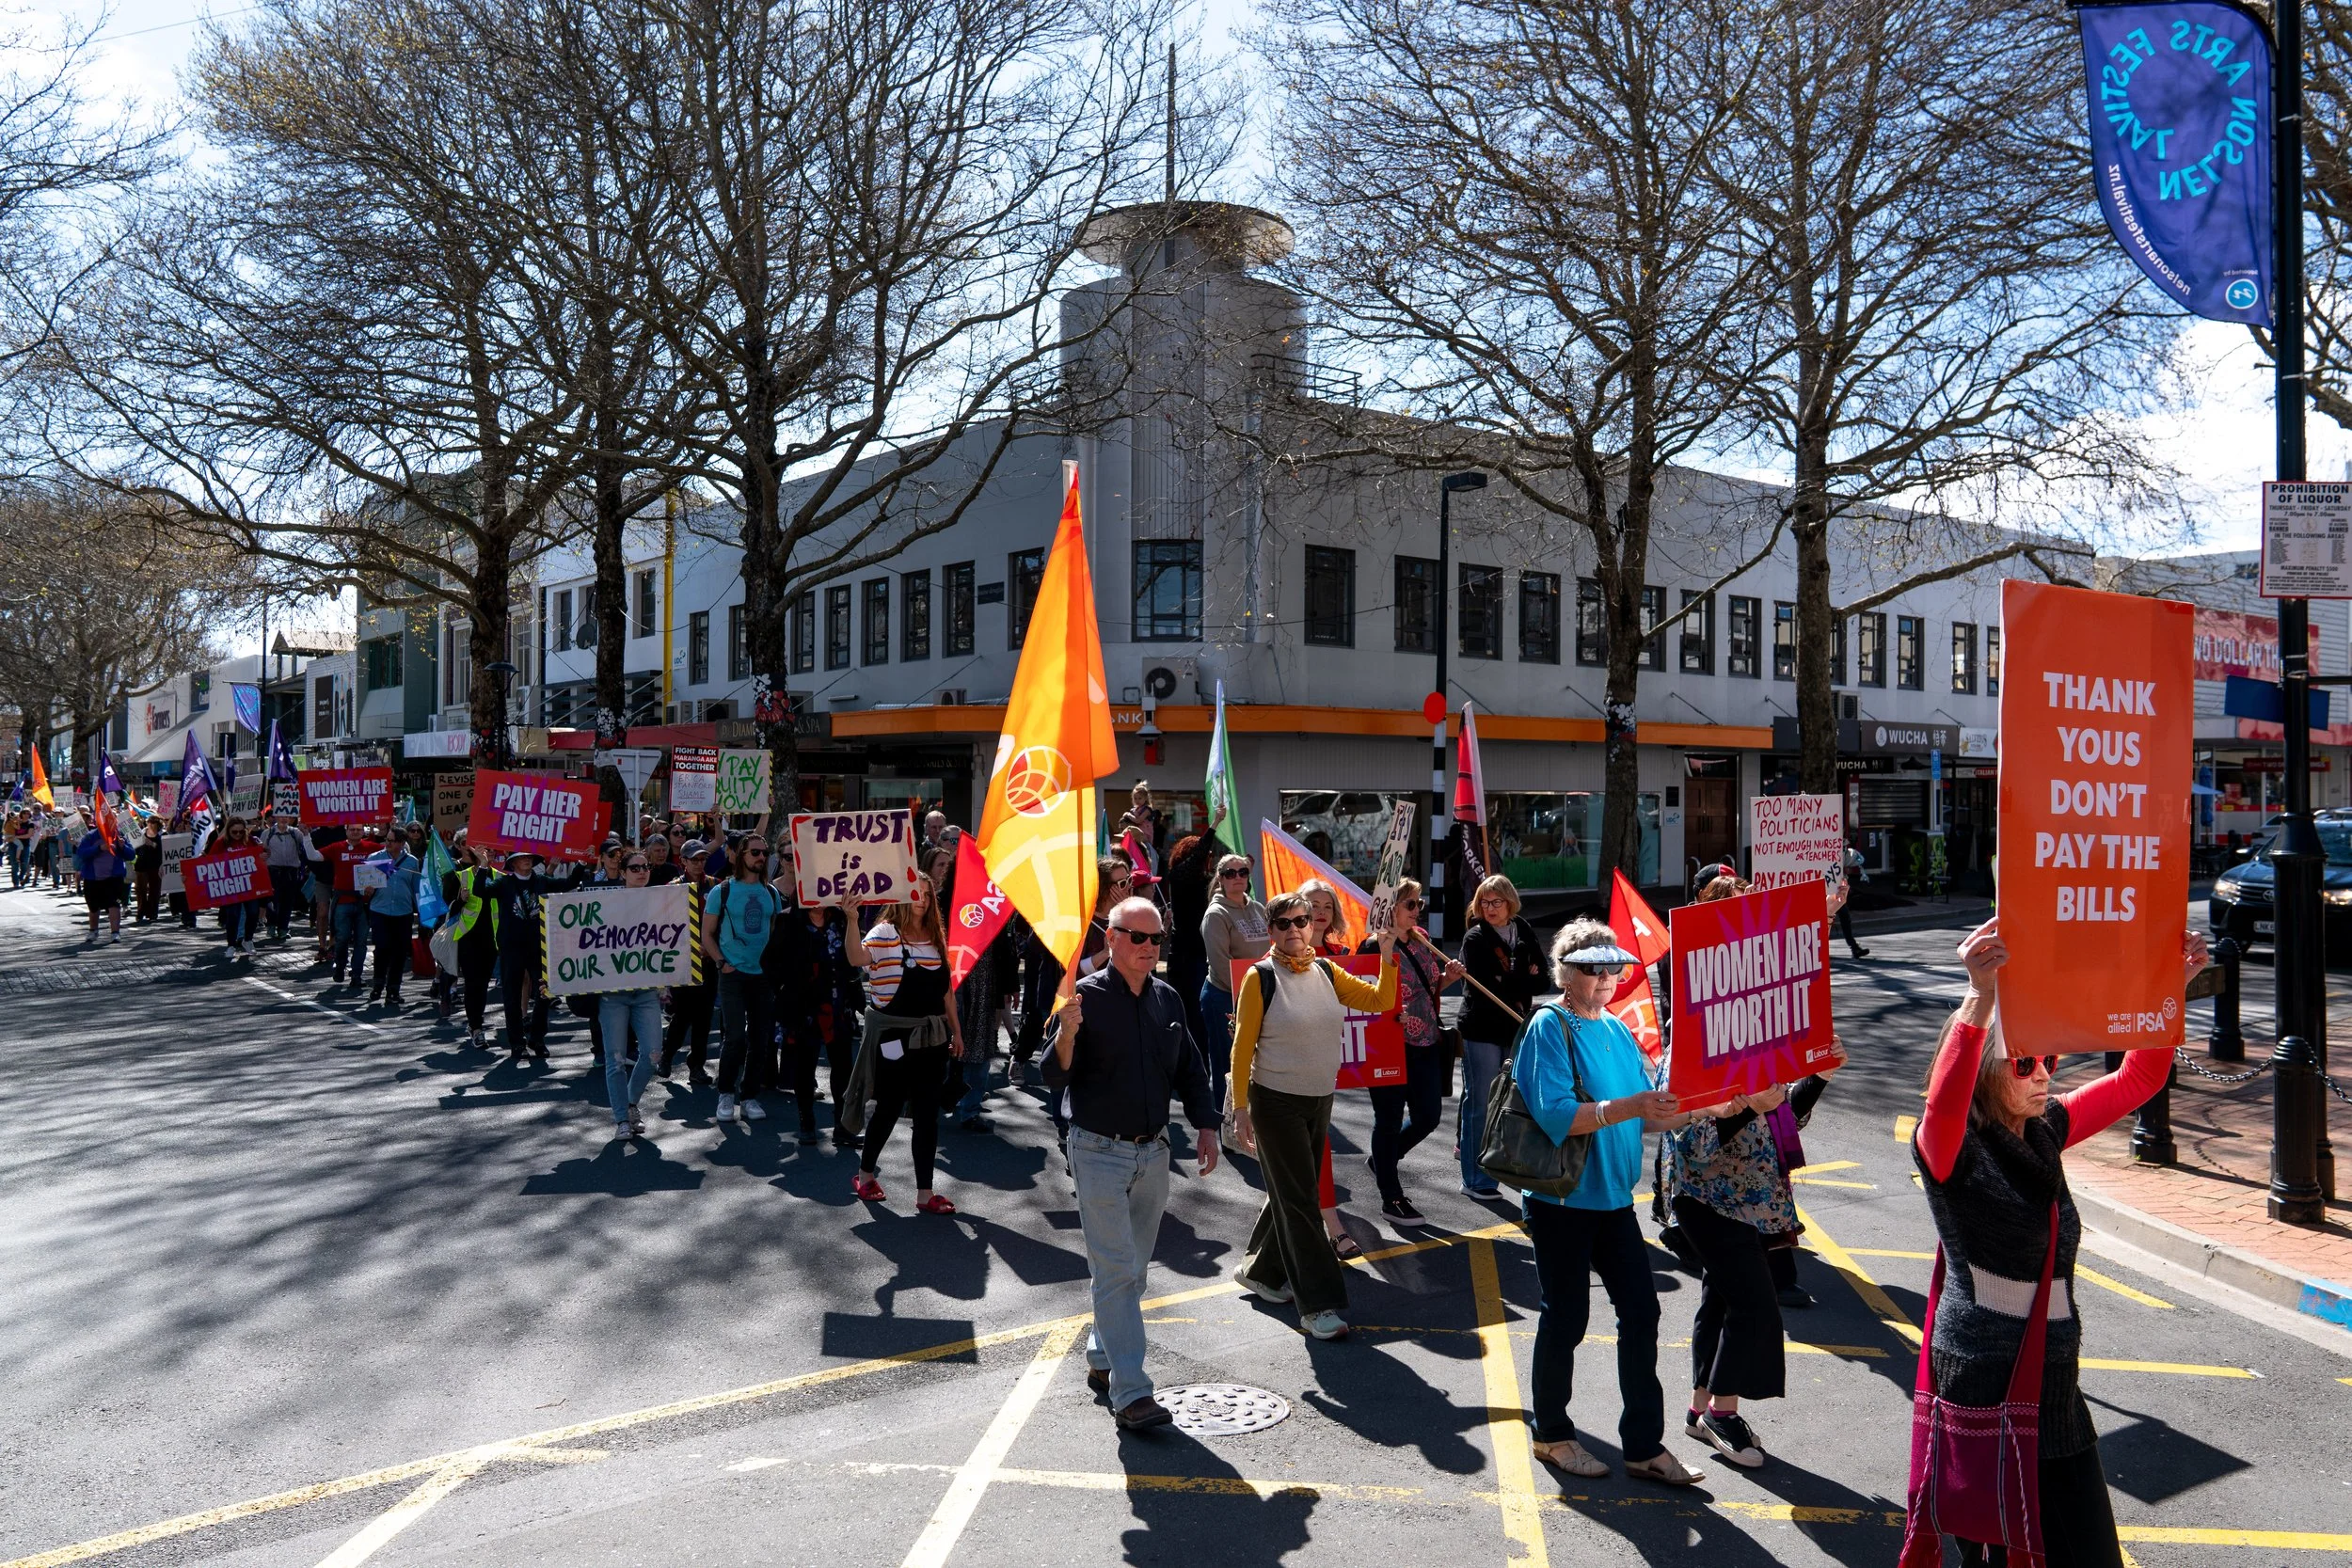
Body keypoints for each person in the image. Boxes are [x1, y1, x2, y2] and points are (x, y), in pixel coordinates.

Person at [1901, 919, 2207, 1568]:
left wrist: (2169, 989)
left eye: (2049, 1060)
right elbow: (1943, 1106)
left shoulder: (2046, 1127)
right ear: (1987, 1069)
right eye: (2023, 1062)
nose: (2042, 1074)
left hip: (2054, 1386)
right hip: (1984, 1389)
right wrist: (1979, 998)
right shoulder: (1950, 1148)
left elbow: (2138, 1080)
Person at [1514, 917, 1707, 1486]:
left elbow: (1655, 1111)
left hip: (1614, 1201)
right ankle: (1551, 1434)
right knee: (1567, 1317)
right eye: (1592, 968)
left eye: (1613, 967)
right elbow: (1555, 1117)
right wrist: (1632, 1106)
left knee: (1642, 1314)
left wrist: (1726, 1101)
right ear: (1565, 972)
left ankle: (1643, 1445)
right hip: (1561, 1201)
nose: (1606, 977)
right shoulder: (1550, 1026)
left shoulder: (1618, 1029)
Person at [1042, 895, 1222, 1431]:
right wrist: (1067, 1033)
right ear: (1111, 939)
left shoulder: (1168, 999)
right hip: (1097, 1150)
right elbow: (1052, 1074)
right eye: (1138, 938)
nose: (1149, 948)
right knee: (1118, 1270)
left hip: (1155, 1151)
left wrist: (1207, 1123)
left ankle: (1102, 1355)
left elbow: (1190, 1067)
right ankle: (1132, 1392)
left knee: (1132, 1270)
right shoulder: (1082, 997)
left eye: (1157, 939)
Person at [1226, 891, 1397, 1340]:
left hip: (1319, 1098)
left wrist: (1386, 954)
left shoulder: (1324, 969)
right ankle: (1317, 1306)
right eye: (1283, 923)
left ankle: (1261, 1274)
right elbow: (1242, 1048)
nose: (1295, 930)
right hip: (1275, 1101)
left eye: (1301, 921)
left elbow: (1379, 1001)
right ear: (1271, 929)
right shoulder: (1260, 977)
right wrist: (1240, 1108)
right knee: (1303, 1201)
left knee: (1291, 1190)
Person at [847, 872, 963, 1211]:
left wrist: (957, 1033)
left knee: (928, 1114)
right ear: (901, 894)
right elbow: (856, 958)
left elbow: (947, 994)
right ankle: (865, 1175)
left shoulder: (935, 937)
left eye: (927, 895)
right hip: (893, 1040)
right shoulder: (884, 934)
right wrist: (852, 920)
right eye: (916, 893)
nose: (922, 900)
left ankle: (925, 1194)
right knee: (889, 1107)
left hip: (932, 1039)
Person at [1361, 879, 1464, 1224]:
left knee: (1429, 1116)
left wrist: (1448, 978)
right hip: (1389, 1045)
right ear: (1389, 908)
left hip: (1426, 1041)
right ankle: (1391, 1196)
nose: (1416, 910)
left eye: (1418, 903)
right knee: (1388, 1122)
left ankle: (1384, 1160)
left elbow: (1428, 987)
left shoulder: (1422, 939)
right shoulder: (1372, 947)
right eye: (1409, 904)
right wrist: (1389, 1013)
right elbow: (1360, 998)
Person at [1457, 875, 1546, 1198]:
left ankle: (1500, 1165)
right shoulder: (1474, 937)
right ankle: (1475, 1180)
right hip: (1481, 1028)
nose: (1489, 908)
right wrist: (1523, 976)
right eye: (1484, 901)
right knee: (1479, 1103)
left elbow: (1543, 980)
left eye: (1496, 902)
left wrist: (1511, 978)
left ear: (1510, 902)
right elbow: (1485, 988)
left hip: (1514, 1026)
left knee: (1508, 1103)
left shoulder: (1522, 928)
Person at [702, 833, 780, 1125]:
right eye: (755, 852)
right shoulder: (721, 891)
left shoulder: (770, 893)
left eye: (765, 852)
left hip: (762, 977)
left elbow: (771, 932)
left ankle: (748, 1097)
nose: (761, 857)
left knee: (761, 1041)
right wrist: (722, 963)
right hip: (733, 975)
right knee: (735, 1037)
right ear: (741, 856)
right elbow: (706, 934)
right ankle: (725, 1093)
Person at [776, 883, 864, 1146]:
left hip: (838, 1005)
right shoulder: (788, 920)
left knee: (843, 1069)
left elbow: (852, 956)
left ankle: (842, 1126)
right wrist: (785, 991)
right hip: (805, 1010)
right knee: (805, 1068)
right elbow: (771, 963)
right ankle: (807, 1122)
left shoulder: (839, 917)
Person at [599, 850, 666, 1138]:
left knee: (653, 1054)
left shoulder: (663, 904)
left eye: (646, 866)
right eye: (635, 867)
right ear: (623, 872)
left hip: (646, 992)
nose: (641, 871)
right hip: (612, 994)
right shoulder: (604, 904)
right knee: (614, 1058)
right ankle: (621, 1120)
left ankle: (629, 1103)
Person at [1198, 853, 1271, 1109]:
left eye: (1242, 872)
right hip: (1224, 997)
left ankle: (1252, 1126)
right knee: (1227, 1067)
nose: (1237, 877)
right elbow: (1221, 965)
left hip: (1259, 995)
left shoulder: (1259, 909)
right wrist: (1253, 996)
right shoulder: (1215, 915)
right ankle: (1227, 1125)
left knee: (1256, 1063)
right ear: (1220, 878)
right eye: (1230, 873)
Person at [485, 848, 555, 1058]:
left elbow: (569, 884)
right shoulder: (504, 883)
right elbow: (482, 892)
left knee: (545, 992)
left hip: (538, 946)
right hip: (511, 947)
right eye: (521, 857)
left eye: (529, 856)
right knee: (512, 995)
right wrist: (482, 866)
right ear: (512, 863)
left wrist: (580, 862)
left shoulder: (541, 880)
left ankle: (537, 1038)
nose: (526, 859)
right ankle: (517, 1042)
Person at [658, 840, 718, 1085]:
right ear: (682, 861)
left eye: (703, 859)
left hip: (709, 959)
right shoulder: (671, 888)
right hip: (682, 960)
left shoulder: (715, 886)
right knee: (682, 1014)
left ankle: (697, 1067)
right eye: (694, 859)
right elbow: (663, 926)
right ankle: (666, 1057)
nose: (699, 863)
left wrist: (712, 948)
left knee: (704, 1016)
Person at [440, 838, 502, 1049]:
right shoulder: (459, 877)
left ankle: (475, 1021)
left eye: (493, 851)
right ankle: (476, 1027)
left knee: (482, 985)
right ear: (475, 853)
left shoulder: (500, 878)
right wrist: (460, 900)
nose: (491, 853)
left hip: (491, 940)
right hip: (467, 939)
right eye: (486, 850)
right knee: (473, 984)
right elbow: (448, 910)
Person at [1162, 832, 1219, 1051]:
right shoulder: (1178, 876)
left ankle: (1200, 1070)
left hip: (1203, 956)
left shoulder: (1207, 882)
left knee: (1201, 1018)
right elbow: (1196, 858)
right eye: (1207, 854)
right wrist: (1213, 827)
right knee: (1187, 1014)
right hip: (1184, 958)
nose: (1209, 858)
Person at [363, 830, 422, 1008]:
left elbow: (416, 889)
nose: (387, 844)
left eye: (392, 841)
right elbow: (363, 886)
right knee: (381, 949)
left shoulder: (411, 862)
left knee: (399, 952)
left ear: (402, 842)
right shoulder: (375, 858)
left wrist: (421, 914)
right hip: (380, 910)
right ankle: (378, 984)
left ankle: (393, 990)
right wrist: (367, 891)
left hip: (403, 912)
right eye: (387, 840)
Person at [214, 816, 264, 958]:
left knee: (253, 913)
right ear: (228, 830)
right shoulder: (220, 843)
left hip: (249, 884)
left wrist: (265, 855)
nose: (237, 835)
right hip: (231, 886)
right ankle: (231, 945)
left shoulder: (251, 841)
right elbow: (208, 863)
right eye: (234, 832)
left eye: (241, 832)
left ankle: (248, 940)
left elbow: (264, 854)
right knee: (233, 915)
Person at [73, 818, 130, 943]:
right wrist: (99, 848)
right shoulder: (90, 836)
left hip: (114, 878)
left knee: (114, 904)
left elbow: (131, 854)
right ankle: (93, 930)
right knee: (93, 906)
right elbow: (81, 853)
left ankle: (115, 933)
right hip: (92, 878)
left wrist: (123, 847)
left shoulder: (120, 835)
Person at [260, 810, 308, 941]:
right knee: (272, 900)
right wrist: (262, 856)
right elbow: (259, 851)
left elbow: (307, 845)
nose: (283, 819)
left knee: (287, 901)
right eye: (281, 815)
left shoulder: (296, 833)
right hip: (273, 871)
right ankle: (271, 925)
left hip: (291, 872)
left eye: (286, 816)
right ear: (276, 817)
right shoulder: (267, 833)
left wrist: (306, 832)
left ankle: (283, 928)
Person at [1838, 843, 1869, 958]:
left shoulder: (1841, 858)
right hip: (1828, 891)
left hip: (1837, 891)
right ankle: (1854, 947)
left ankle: (1854, 948)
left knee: (1845, 917)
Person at [132, 821, 164, 923]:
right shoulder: (140, 835)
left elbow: (164, 851)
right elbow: (134, 849)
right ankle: (140, 912)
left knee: (154, 891)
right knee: (141, 890)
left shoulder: (162, 836)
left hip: (155, 867)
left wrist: (153, 844)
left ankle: (152, 913)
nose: (151, 825)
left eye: (154, 824)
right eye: (150, 823)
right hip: (141, 866)